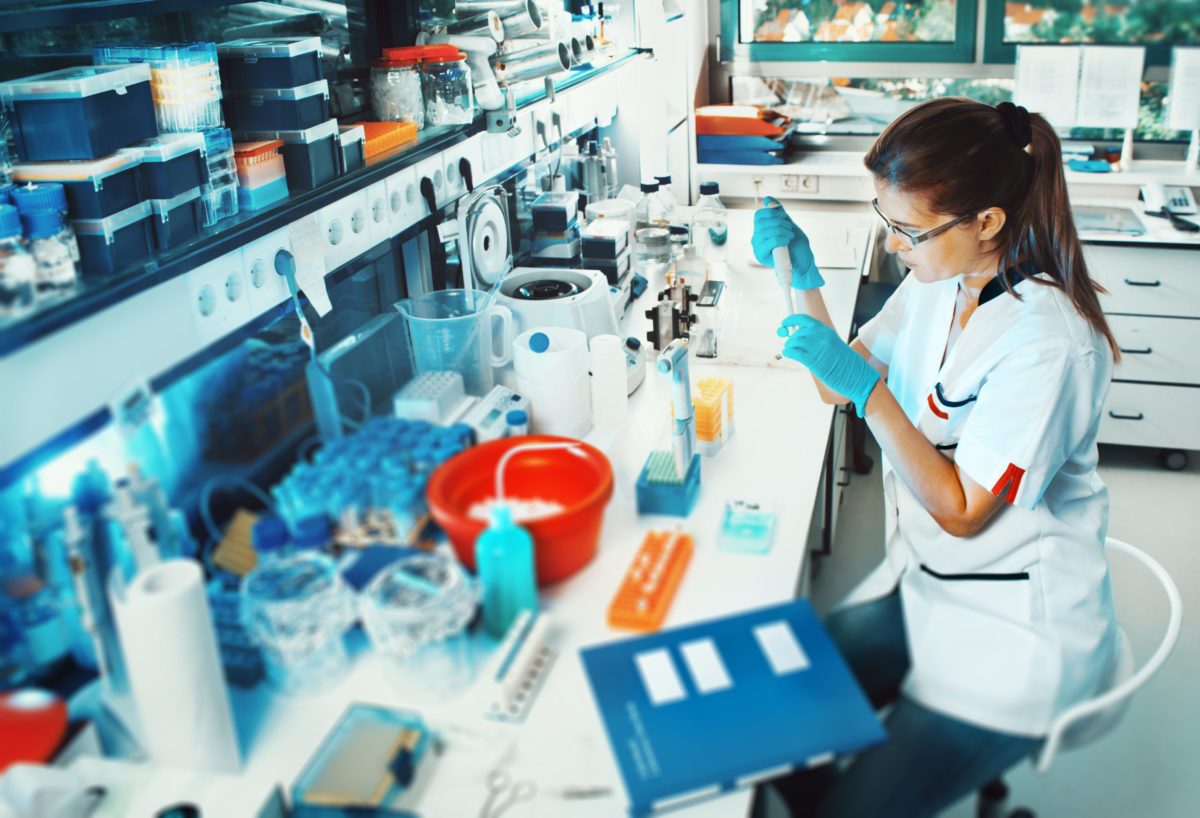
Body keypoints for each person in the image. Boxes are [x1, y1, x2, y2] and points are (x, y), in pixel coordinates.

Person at [750, 98, 1121, 817]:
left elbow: (959, 510)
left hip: (1015, 633)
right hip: (928, 588)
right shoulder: (939, 282)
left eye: (908, 230)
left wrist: (874, 396)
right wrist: (797, 272)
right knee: (766, 715)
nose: (893, 245)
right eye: (884, 222)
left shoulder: (1048, 344)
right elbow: (837, 383)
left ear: (987, 221)